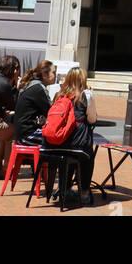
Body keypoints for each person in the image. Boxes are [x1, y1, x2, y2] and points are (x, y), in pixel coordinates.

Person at [43, 67, 97, 205]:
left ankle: (64, 188)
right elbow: (92, 119)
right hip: (76, 144)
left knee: (69, 154)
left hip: (54, 143)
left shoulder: (58, 95)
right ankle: (84, 191)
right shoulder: (86, 95)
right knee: (87, 155)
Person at [14, 60, 57, 145]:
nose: (56, 76)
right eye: (54, 73)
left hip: (21, 133)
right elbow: (51, 112)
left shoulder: (32, 84)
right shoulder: (39, 88)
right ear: (45, 75)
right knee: (59, 140)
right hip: (29, 134)